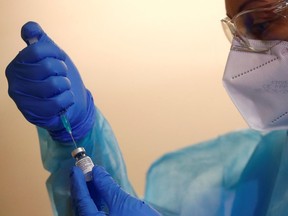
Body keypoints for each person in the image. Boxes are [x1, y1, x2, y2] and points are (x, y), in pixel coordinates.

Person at [5, 0, 288, 215]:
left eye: (259, 23)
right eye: (238, 31)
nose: (246, 53)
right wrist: (80, 132)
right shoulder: (273, 167)